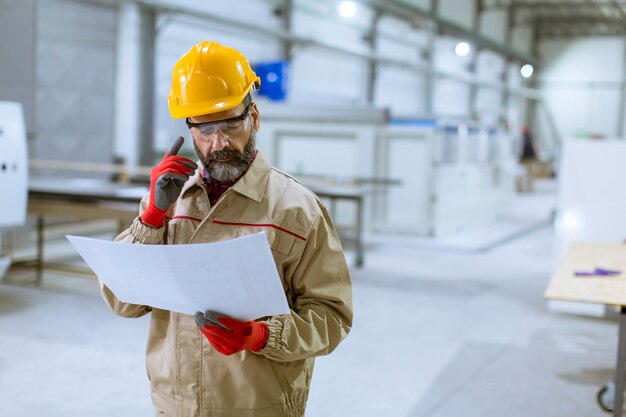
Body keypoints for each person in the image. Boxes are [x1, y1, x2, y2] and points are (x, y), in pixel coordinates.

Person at [99, 41, 353, 417]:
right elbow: (123, 303)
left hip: (257, 407)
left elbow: (332, 318)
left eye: (230, 124)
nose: (218, 143)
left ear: (254, 117)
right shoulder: (169, 202)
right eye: (203, 129)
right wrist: (151, 219)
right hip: (174, 407)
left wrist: (262, 336)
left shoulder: (297, 210)